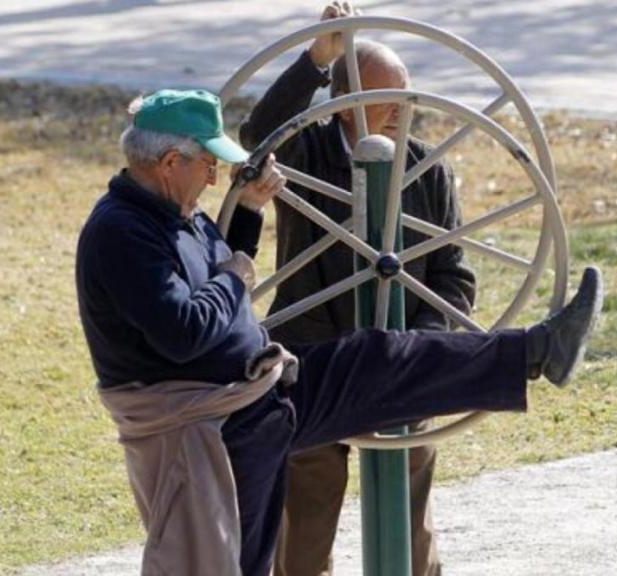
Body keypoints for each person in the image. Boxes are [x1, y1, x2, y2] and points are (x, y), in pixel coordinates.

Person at [76, 88, 603, 576]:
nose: (215, 179)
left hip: (256, 395)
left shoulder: (179, 214)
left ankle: (539, 350)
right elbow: (185, 330)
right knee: (233, 560)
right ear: (171, 163)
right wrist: (237, 272)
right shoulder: (121, 233)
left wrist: (251, 214)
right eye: (209, 164)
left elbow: (217, 271)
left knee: (380, 360)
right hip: (206, 425)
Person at [237, 4, 470, 574]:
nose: (400, 111)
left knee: (409, 508)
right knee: (306, 518)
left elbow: (453, 274)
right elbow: (256, 134)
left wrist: (420, 349)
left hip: (397, 358)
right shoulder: (307, 154)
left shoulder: (426, 168)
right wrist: (318, 58)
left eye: (406, 97)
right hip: (314, 354)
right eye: (384, 98)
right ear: (344, 109)